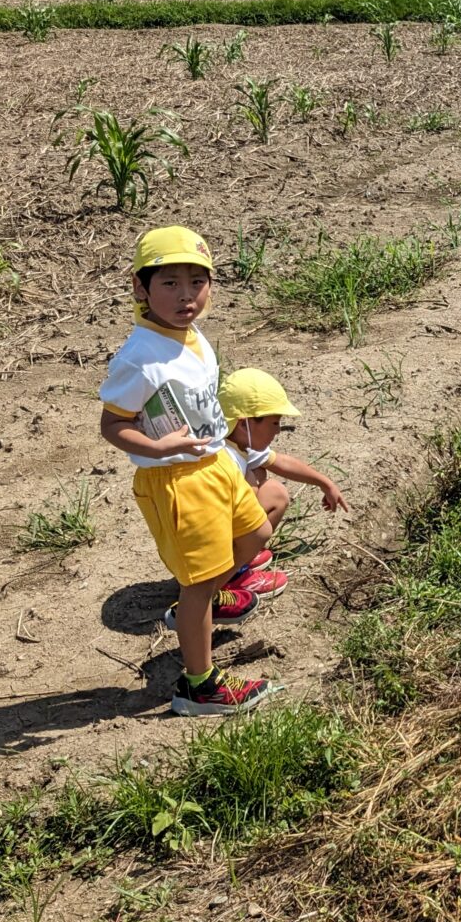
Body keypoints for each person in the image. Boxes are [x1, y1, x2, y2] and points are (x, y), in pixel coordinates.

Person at [98, 227, 282, 716]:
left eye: (197, 283)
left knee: (257, 531)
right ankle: (199, 686)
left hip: (214, 463)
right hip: (177, 478)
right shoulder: (139, 359)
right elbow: (112, 425)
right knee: (198, 582)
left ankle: (202, 603)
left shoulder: (191, 335)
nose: (186, 296)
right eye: (170, 284)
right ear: (140, 288)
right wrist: (157, 447)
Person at [219, 368, 352, 547]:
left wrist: (325, 483)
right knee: (264, 486)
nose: (278, 430)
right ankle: (239, 558)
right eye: (274, 422)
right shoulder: (224, 460)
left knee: (260, 472)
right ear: (244, 425)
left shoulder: (234, 441)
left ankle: (242, 551)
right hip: (213, 539)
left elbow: (280, 462)